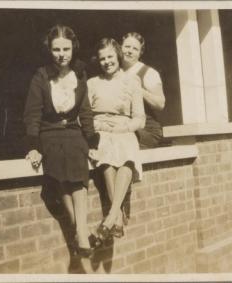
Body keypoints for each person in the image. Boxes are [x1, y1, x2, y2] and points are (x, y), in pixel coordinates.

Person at [23, 24, 100, 257]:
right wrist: (34, 147)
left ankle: (80, 231)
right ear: (50, 50)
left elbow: (85, 112)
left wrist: (93, 142)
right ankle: (83, 231)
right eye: (56, 49)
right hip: (49, 132)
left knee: (77, 159)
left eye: (66, 49)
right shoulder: (41, 75)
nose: (61, 54)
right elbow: (32, 114)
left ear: (73, 48)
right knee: (60, 170)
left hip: (74, 131)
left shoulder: (80, 72)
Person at [87, 38, 145, 240]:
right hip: (100, 129)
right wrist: (99, 125)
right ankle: (116, 218)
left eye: (110, 56)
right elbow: (83, 116)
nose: (107, 62)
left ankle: (111, 216)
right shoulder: (92, 83)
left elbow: (140, 118)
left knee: (127, 152)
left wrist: (125, 127)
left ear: (118, 56)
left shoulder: (132, 81)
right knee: (105, 153)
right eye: (102, 58)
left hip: (124, 129)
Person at [121, 32, 166, 149]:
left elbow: (160, 104)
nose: (130, 51)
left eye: (135, 49)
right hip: (125, 127)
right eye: (127, 46)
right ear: (120, 47)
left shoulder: (148, 73)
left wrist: (139, 90)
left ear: (140, 53)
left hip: (147, 130)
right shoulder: (115, 71)